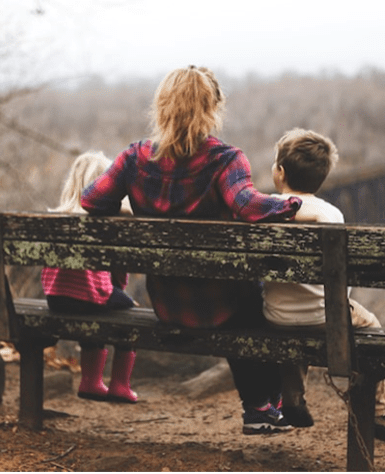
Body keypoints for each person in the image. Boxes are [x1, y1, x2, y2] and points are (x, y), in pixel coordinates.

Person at [80, 65, 302, 435]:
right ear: (213, 108)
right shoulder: (225, 160)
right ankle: (263, 405)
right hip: (224, 305)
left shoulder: (135, 158)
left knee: (246, 296)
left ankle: (264, 406)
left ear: (162, 106)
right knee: (258, 299)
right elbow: (248, 206)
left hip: (168, 303)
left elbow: (91, 200)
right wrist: (292, 204)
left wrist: (125, 210)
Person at [262, 128, 385, 443]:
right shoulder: (331, 214)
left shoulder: (265, 209)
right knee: (372, 326)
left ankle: (292, 397)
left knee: (294, 317)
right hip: (326, 317)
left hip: (275, 316)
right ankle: (377, 411)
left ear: (280, 173)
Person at [42, 151, 140, 404]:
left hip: (55, 298)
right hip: (90, 296)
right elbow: (116, 276)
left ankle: (91, 381)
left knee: (95, 305)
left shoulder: (57, 218)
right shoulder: (106, 220)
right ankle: (119, 384)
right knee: (130, 312)